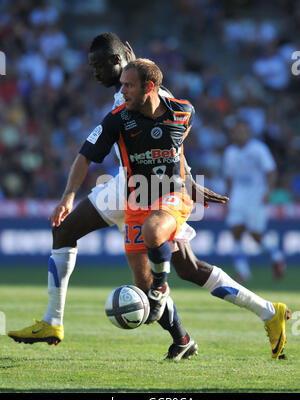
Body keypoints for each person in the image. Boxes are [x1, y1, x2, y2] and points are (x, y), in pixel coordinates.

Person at [8, 33, 290, 360]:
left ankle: (55, 320)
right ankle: (215, 328)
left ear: (122, 62)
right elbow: (108, 151)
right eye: (91, 66)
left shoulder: (155, 99)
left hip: (149, 192)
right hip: (131, 190)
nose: (95, 72)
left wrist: (186, 180)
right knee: (183, 268)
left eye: (100, 65)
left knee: (160, 265)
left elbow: (173, 139)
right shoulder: (123, 101)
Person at [224, 118, 286, 282]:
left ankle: (277, 256)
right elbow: (229, 178)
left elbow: (271, 172)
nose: (239, 134)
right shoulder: (230, 152)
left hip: (256, 197)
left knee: (255, 235)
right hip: (237, 197)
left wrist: (268, 191)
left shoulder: (258, 149)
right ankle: (243, 271)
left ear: (249, 133)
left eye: (242, 131)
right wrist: (226, 198)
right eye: (237, 131)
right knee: (236, 231)